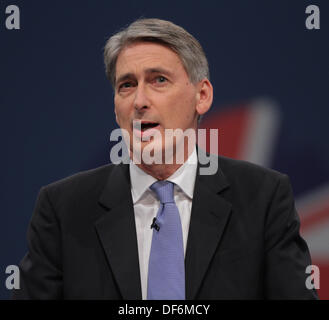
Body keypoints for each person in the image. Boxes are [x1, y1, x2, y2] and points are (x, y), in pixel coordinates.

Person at [13, 18, 317, 300]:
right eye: (127, 85)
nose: (140, 101)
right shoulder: (63, 208)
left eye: (158, 80)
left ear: (202, 96)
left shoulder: (263, 198)